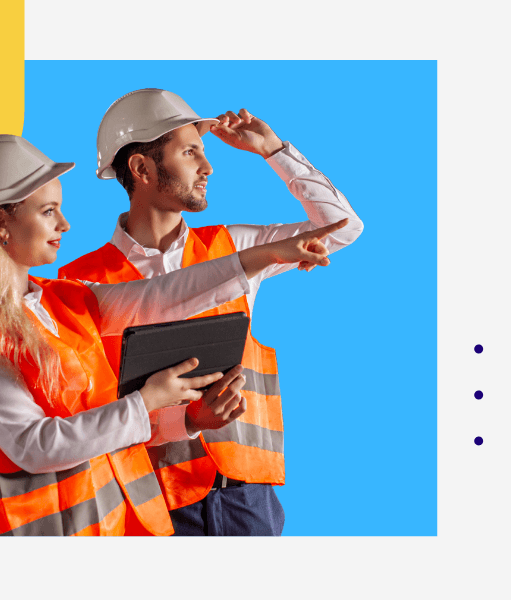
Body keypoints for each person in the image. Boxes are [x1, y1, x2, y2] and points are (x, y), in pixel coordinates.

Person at [0, 134, 346, 536]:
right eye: (48, 211)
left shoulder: (65, 300)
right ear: (0, 223)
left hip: (127, 524)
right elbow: (33, 445)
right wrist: (148, 402)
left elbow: (161, 295)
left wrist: (261, 257)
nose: (64, 224)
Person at [59, 89, 364, 536]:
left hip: (247, 498)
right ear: (141, 168)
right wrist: (186, 421)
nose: (208, 167)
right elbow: (92, 408)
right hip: (152, 503)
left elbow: (342, 227)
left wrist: (274, 151)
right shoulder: (79, 283)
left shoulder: (235, 246)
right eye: (190, 152)